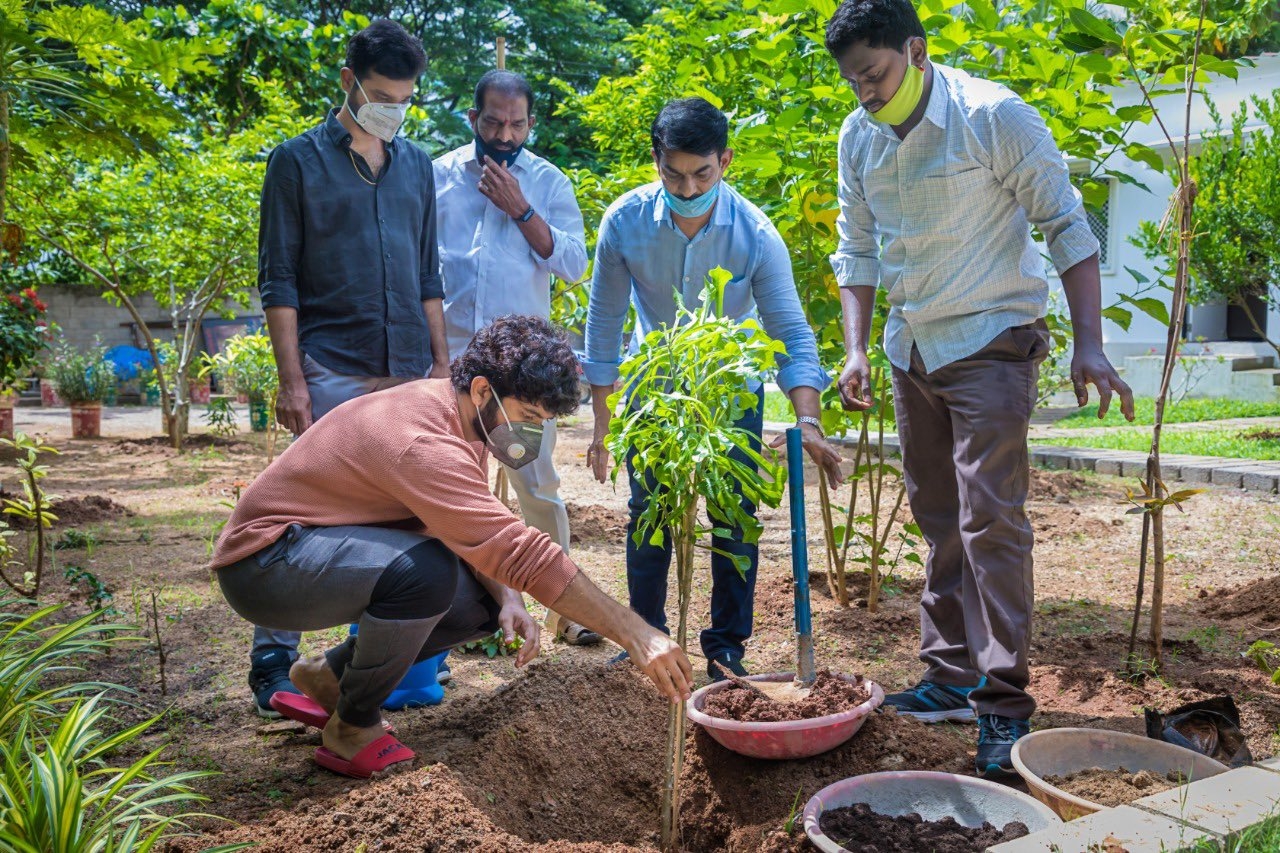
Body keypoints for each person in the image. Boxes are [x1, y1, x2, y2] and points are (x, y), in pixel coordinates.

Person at [823, 0, 1135, 778]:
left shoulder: (993, 116)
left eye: (876, 73)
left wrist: (1090, 344)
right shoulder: (858, 136)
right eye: (853, 79)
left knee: (990, 517)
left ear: (916, 51)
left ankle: (1002, 703)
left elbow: (1066, 225)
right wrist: (857, 349)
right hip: (913, 347)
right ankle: (951, 674)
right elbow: (856, 249)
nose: (865, 91)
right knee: (940, 517)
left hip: (992, 337)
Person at [210, 316, 694, 779]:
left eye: (542, 421)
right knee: (427, 572)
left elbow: (472, 525)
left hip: (313, 551)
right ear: (483, 389)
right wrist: (635, 633)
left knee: (483, 604)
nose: (530, 432)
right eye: (527, 416)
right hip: (266, 564)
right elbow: (515, 550)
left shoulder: (462, 418)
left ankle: (330, 679)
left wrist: (509, 599)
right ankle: (351, 726)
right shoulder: (422, 440)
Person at [583, 97, 846, 682]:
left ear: (724, 161)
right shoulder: (623, 224)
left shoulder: (754, 232)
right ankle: (644, 637)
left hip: (731, 390)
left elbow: (791, 334)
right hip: (655, 387)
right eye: (674, 173)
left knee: (734, 518)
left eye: (702, 173)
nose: (687, 186)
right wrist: (603, 427)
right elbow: (603, 331)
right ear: (656, 161)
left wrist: (809, 422)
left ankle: (726, 648)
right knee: (649, 513)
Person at [249, 19, 450, 718]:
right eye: (381, 95)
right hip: (330, 367)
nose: (392, 109)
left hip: (405, 376)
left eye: (405, 99)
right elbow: (279, 281)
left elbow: (429, 275)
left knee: (402, 522)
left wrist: (444, 369)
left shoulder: (418, 167)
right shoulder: (296, 162)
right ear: (349, 82)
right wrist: (291, 379)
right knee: (308, 516)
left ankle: (357, 670)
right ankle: (272, 664)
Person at [434, 70, 599, 647]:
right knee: (450, 494)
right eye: (493, 122)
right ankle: (458, 624)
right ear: (472, 118)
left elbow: (575, 265)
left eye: (517, 123)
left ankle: (566, 608)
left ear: (532, 122)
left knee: (535, 488)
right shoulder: (437, 177)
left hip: (518, 387)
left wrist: (523, 210)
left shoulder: (548, 181)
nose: (505, 134)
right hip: (449, 375)